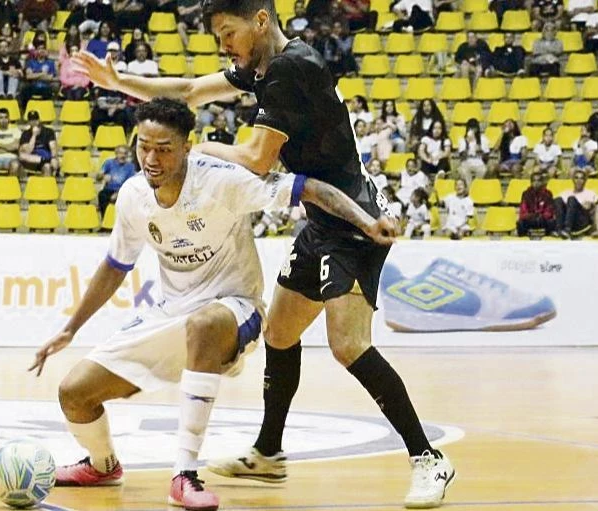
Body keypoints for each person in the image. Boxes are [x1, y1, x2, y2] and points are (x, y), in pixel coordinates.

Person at [74, 0, 454, 506]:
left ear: (259, 20)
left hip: (354, 221)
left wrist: (204, 148)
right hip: (321, 221)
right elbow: (188, 91)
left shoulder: (290, 70)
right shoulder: (261, 67)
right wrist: (118, 81)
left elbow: (255, 159)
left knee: (348, 346)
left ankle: (427, 457)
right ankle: (269, 454)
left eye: (228, 32)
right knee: (279, 331)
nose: (223, 45)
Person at [32, 97, 398, 510]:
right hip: (170, 314)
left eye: (164, 149)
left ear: (188, 147)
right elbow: (115, 266)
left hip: (234, 307)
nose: (151, 158)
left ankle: (184, 474)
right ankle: (103, 465)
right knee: (74, 394)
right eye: (143, 146)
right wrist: (70, 329)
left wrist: (366, 220)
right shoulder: (134, 195)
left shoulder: (222, 182)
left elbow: (308, 188)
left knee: (204, 325)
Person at [554, 169, 597, 238]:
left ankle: (567, 229)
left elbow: (591, 209)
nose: (579, 181)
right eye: (576, 178)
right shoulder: (565, 193)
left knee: (571, 199)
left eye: (581, 178)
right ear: (573, 180)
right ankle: (559, 229)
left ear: (585, 181)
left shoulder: (590, 193)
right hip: (566, 219)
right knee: (558, 200)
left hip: (581, 221)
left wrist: (589, 205)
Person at [96, 144, 136, 213]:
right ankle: (105, 218)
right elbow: (98, 178)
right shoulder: (108, 163)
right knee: (102, 195)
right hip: (109, 190)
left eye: (125, 153)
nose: (123, 156)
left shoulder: (130, 167)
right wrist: (102, 176)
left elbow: (130, 184)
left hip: (123, 191)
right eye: (120, 153)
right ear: (116, 154)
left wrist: (118, 193)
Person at [18, 110, 60, 176]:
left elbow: (53, 149)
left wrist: (53, 158)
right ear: (29, 122)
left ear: (39, 120)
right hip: (31, 161)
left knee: (47, 166)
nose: (34, 122)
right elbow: (28, 151)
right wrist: (34, 135)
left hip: (45, 158)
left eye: (35, 119)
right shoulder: (25, 134)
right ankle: (44, 160)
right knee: (22, 156)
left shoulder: (49, 132)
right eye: (31, 120)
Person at [517, 171, 555, 236]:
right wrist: (533, 216)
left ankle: (548, 241)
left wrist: (541, 216)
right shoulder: (526, 193)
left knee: (551, 222)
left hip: (542, 219)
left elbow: (549, 211)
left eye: (538, 181)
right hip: (530, 219)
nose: (536, 183)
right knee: (520, 223)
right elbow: (523, 211)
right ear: (531, 183)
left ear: (542, 182)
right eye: (534, 181)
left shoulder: (548, 193)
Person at [456, 118, 489, 183]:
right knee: (463, 171)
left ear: (477, 128)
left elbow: (486, 159)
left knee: (483, 170)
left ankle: (476, 186)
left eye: (474, 128)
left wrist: (480, 151)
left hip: (479, 162)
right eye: (470, 128)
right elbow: (462, 158)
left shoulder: (483, 139)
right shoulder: (462, 140)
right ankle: (469, 189)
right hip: (466, 163)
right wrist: (467, 144)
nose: (473, 130)